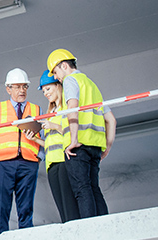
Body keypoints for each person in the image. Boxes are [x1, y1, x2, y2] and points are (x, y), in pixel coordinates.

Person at [46, 48, 117, 219]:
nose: (56, 77)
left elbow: (72, 109)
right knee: (94, 188)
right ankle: (102, 223)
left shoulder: (71, 81)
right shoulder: (92, 85)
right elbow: (111, 120)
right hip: (95, 147)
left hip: (79, 145)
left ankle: (88, 229)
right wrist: (106, 147)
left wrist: (73, 140)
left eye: (55, 72)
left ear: (64, 66)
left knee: (81, 189)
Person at [0, 68, 43, 235]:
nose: (21, 91)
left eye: (24, 86)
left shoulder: (36, 110)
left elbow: (43, 137)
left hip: (28, 163)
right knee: (1, 207)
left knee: (26, 208)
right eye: (17, 87)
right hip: (1, 164)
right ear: (8, 89)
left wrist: (39, 159)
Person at [23, 71, 79, 223]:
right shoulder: (51, 112)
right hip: (51, 164)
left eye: (48, 89)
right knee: (61, 206)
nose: (46, 94)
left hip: (64, 160)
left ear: (58, 86)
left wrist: (53, 125)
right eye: (44, 91)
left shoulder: (66, 108)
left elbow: (72, 131)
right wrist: (35, 139)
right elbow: (51, 141)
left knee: (69, 203)